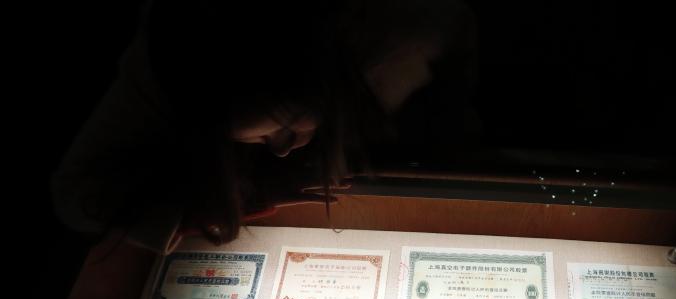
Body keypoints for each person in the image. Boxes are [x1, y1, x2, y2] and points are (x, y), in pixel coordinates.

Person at [52, 0, 477, 254]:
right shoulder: (156, 77)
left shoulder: (387, 33)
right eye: (260, 136)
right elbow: (74, 198)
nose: (282, 148)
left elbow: (451, 25)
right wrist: (244, 191)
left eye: (288, 124)